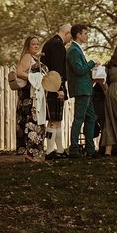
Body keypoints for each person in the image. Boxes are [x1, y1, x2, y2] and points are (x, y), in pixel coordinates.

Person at [65, 23, 98, 158]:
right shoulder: (73, 50)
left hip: (87, 89)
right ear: (78, 35)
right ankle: (73, 149)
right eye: (85, 33)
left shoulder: (77, 49)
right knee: (79, 118)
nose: (87, 36)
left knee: (91, 118)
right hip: (81, 89)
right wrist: (92, 63)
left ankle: (90, 150)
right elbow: (79, 70)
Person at [40, 23, 71, 160]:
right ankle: (50, 150)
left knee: (57, 119)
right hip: (55, 86)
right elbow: (57, 68)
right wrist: (59, 88)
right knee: (53, 120)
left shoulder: (49, 43)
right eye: (71, 35)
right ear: (66, 33)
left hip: (50, 85)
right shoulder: (58, 45)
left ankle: (59, 149)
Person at [15, 35, 46, 162]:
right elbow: (19, 72)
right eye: (34, 44)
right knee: (30, 124)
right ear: (28, 45)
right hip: (28, 98)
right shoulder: (27, 57)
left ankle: (31, 154)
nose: (36, 46)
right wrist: (34, 78)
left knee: (35, 123)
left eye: (38, 44)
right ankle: (29, 154)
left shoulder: (35, 58)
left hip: (36, 96)